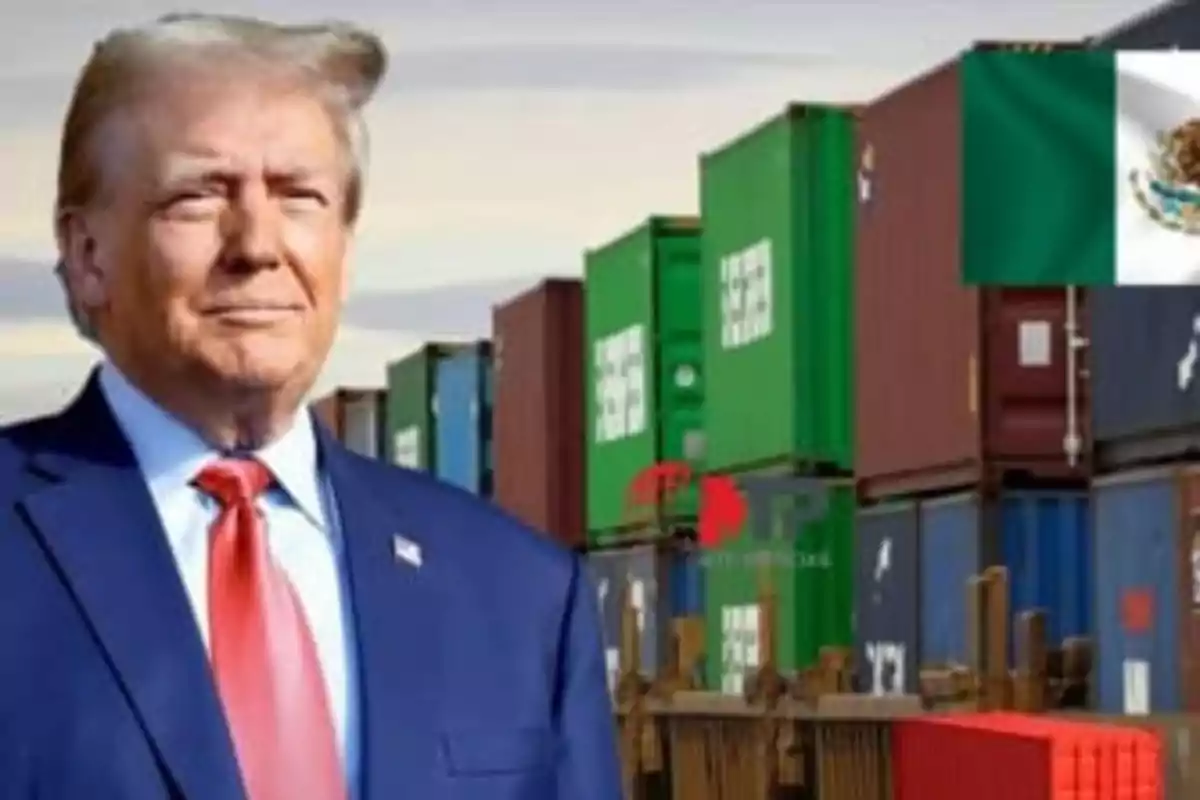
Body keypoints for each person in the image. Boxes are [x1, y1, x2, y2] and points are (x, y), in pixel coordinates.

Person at [0, 13, 620, 800]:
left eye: (299, 196)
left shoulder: (523, 595)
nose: (257, 243)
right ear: (87, 256)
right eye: (197, 197)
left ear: (344, 249)